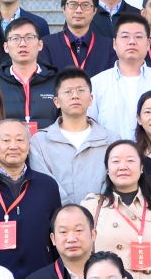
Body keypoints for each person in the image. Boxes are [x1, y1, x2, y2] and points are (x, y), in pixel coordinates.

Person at [0, 119, 60, 279]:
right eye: (6, 140)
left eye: (19, 140)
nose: (13, 146)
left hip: (41, 276)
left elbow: (56, 233)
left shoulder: (48, 186)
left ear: (29, 146)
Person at [87, 140, 151, 279]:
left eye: (130, 160)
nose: (123, 167)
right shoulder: (92, 206)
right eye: (116, 161)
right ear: (107, 169)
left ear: (141, 168)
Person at [91, 13, 151, 144]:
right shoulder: (97, 83)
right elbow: (89, 129)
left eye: (138, 37)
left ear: (148, 43)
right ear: (114, 44)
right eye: (125, 36)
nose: (132, 42)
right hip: (109, 155)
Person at [27, 70, 116, 205]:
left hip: (101, 214)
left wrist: (94, 209)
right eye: (68, 91)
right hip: (56, 216)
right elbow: (43, 184)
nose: (75, 96)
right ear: (56, 101)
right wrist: (69, 213)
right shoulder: (39, 142)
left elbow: (113, 183)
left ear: (91, 99)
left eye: (81, 90)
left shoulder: (111, 140)